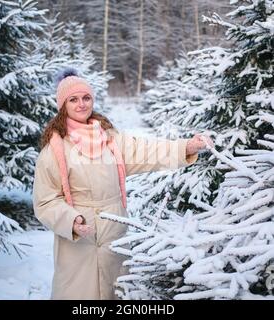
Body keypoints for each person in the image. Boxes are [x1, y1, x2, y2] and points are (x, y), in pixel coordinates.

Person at [32, 68, 214, 300]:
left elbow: (146, 151)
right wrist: (71, 220)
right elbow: (45, 201)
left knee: (115, 293)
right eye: (73, 99)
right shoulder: (53, 151)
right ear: (63, 105)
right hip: (79, 240)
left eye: (86, 98)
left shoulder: (110, 139)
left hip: (114, 234)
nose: (81, 104)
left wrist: (186, 147)